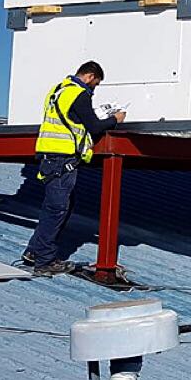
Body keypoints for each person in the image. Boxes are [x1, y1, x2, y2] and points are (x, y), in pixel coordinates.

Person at [19, 60, 125, 273]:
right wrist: (114, 119)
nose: (94, 88)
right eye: (96, 83)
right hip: (62, 158)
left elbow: (71, 119)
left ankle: (34, 251)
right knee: (58, 209)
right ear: (89, 76)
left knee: (54, 207)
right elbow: (94, 126)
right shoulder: (79, 93)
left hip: (49, 156)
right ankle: (45, 261)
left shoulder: (57, 90)